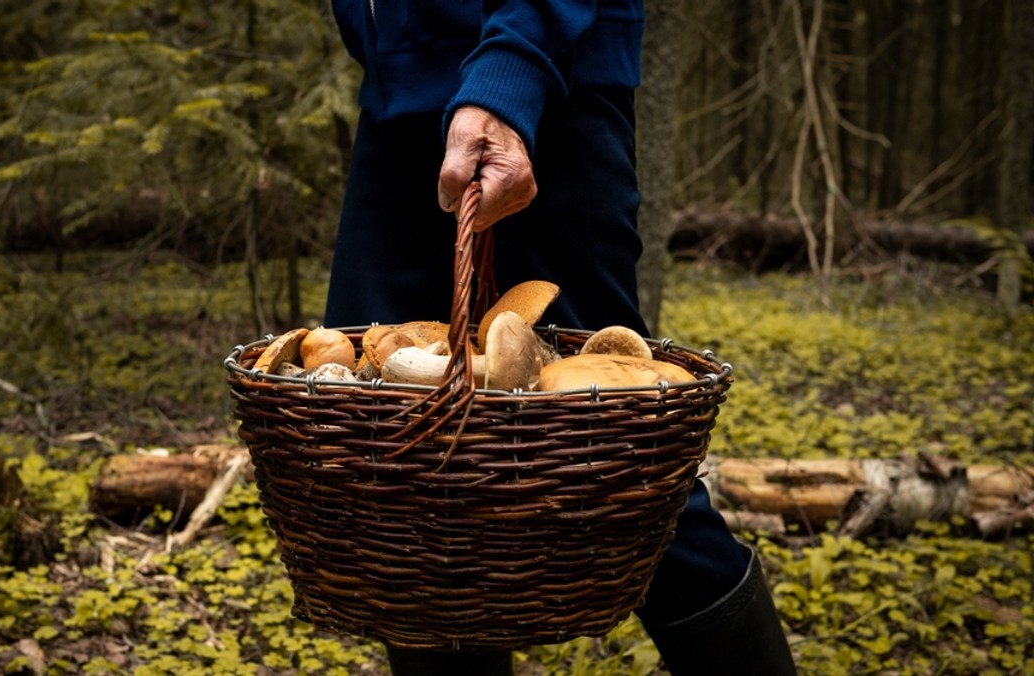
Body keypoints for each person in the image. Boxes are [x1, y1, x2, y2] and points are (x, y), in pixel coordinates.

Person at [322, 2, 797, 674]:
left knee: (624, 462)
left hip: (545, 96)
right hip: (398, 103)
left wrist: (513, 69)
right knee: (406, 472)